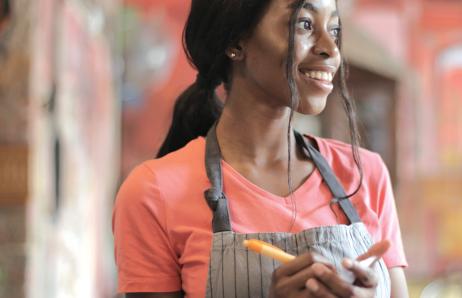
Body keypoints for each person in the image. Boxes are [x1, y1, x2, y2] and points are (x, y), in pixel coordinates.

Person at [112, 0, 408, 297]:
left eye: (334, 29)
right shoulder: (153, 192)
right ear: (235, 41)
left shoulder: (364, 174)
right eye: (304, 25)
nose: (331, 50)